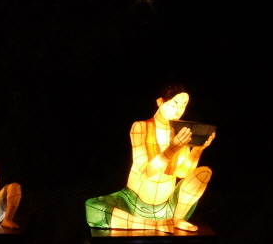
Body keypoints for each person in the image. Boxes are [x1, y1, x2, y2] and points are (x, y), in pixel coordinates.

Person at [85, 84, 214, 232]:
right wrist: (172, 149)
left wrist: (197, 150)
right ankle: (152, 225)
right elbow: (146, 171)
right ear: (160, 102)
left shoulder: (182, 132)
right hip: (133, 203)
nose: (178, 111)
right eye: (174, 105)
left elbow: (182, 173)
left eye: (183, 106)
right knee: (93, 207)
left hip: (168, 206)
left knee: (204, 173)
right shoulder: (140, 127)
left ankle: (177, 219)